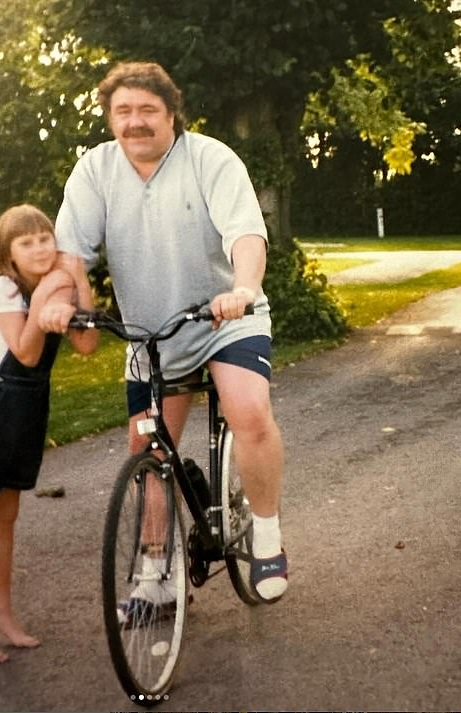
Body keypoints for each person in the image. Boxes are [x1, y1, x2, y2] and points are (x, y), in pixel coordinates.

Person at [40, 61, 287, 611]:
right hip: (152, 332)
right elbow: (69, 254)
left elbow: (246, 234)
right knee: (149, 454)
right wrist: (64, 300)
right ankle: (157, 574)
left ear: (171, 112)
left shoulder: (210, 159)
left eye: (147, 110)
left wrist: (243, 288)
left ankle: (266, 534)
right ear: (109, 117)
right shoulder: (95, 170)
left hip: (224, 318)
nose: (135, 122)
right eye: (123, 111)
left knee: (247, 410)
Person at [0, 204, 98, 665]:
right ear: (7, 253)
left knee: (6, 515)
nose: (40, 247)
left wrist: (79, 284)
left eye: (45, 238)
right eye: (26, 243)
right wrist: (50, 290)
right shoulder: (5, 288)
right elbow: (27, 354)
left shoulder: (57, 283)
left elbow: (87, 345)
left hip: (25, 411)